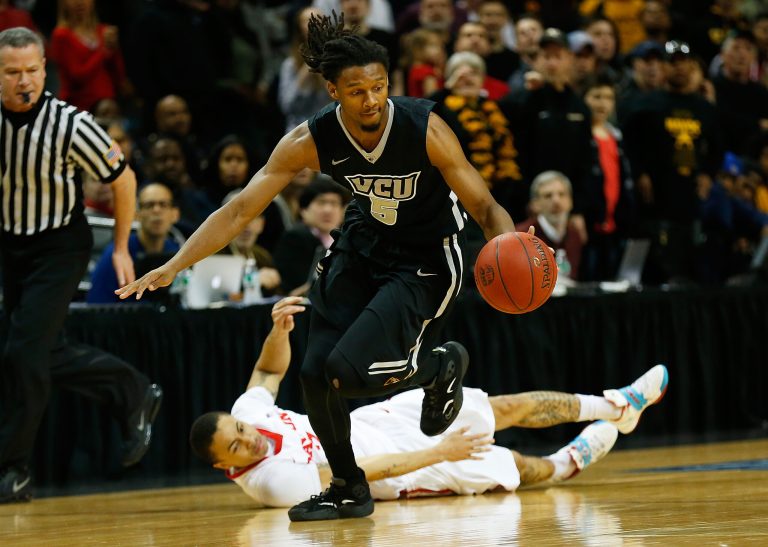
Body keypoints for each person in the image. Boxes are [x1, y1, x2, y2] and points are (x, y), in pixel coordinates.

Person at [117, 12, 521, 522]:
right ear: (333, 90)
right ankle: (349, 487)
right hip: (362, 245)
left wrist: (507, 245)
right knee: (312, 375)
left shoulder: (425, 129)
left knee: (344, 374)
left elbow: (484, 207)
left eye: (379, 86)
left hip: (424, 257)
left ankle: (438, 367)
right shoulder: (308, 140)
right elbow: (241, 209)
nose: (371, 99)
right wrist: (177, 263)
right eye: (357, 91)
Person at [189, 297, 669, 507]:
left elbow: (269, 372)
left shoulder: (249, 413)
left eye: (240, 431)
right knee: (513, 467)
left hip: (373, 421)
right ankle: (564, 464)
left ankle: (616, 407)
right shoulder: (271, 485)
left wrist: (278, 331)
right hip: (396, 468)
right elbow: (366, 472)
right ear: (222, 468)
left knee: (498, 408)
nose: (247, 439)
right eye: (235, 448)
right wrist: (441, 453)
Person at [0, 27, 161, 504]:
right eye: (12, 73)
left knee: (25, 353)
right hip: (9, 244)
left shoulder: (71, 123)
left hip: (58, 246)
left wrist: (119, 248)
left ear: (45, 68)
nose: (25, 81)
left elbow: (124, 180)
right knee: (32, 350)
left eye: (33, 70)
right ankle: (133, 390)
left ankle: (14, 469)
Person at [87, 183, 181, 304]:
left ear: (175, 214)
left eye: (163, 205)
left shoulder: (176, 251)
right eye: (149, 205)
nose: (156, 210)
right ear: (136, 214)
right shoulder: (117, 255)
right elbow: (96, 307)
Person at [272, 177, 349, 296]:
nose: (327, 210)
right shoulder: (295, 238)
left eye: (334, 203)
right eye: (321, 202)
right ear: (304, 210)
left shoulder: (346, 240)